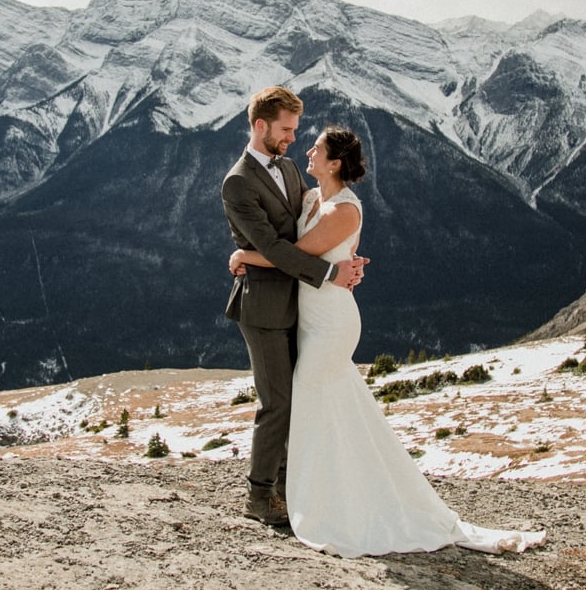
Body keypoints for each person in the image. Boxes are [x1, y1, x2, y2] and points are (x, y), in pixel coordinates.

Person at [229, 125, 546, 557]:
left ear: (335, 162)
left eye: (317, 148)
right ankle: (330, 490)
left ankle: (326, 500)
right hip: (310, 317)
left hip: (331, 323)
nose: (308, 150)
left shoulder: (344, 210)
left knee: (307, 397)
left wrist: (244, 255)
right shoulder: (310, 197)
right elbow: (295, 247)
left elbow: (295, 256)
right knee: (329, 405)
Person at [221, 87, 366, 527]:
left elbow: (318, 223)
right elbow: (274, 247)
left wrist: (346, 258)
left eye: (297, 131)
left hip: (303, 309)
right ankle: (259, 498)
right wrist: (329, 274)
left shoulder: (286, 167)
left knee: (298, 401)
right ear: (260, 125)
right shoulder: (238, 182)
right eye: (286, 130)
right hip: (263, 307)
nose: (291, 139)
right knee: (277, 403)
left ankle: (291, 488)